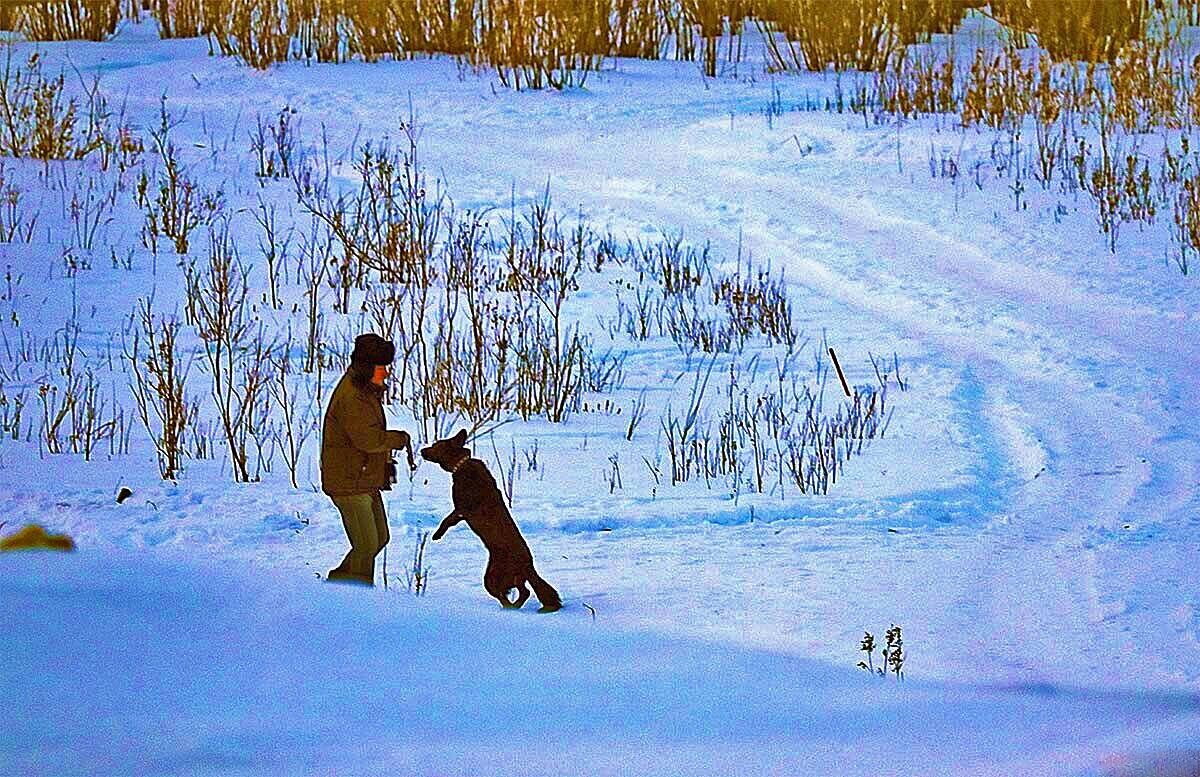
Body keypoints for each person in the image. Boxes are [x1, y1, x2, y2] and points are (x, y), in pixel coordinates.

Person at [320, 333, 414, 586]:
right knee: (366, 545)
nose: (386, 373)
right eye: (382, 367)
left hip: (362, 478)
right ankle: (356, 601)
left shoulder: (363, 389)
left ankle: (337, 587)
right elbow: (368, 440)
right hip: (348, 482)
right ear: (367, 367)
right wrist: (398, 439)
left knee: (379, 538)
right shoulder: (353, 397)